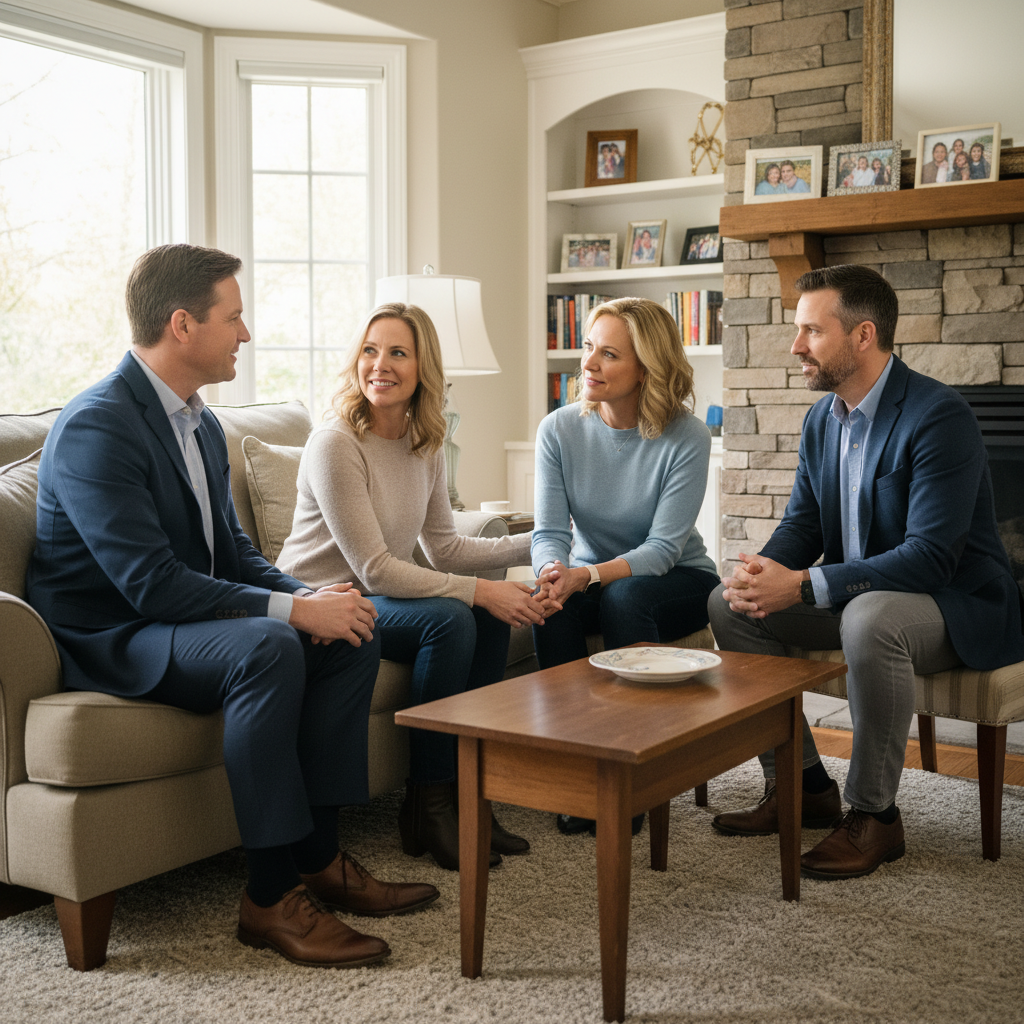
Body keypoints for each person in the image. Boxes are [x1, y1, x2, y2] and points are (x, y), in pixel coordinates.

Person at [26, 244, 440, 969]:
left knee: (350, 628)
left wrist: (310, 597)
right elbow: (150, 585)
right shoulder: (98, 425)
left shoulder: (201, 423)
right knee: (270, 646)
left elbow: (232, 555)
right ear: (183, 326)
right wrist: (288, 617)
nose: (246, 334)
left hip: (176, 619)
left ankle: (319, 857)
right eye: (235, 317)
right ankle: (270, 897)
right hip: (114, 636)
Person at [708, 264, 1024, 880]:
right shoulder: (822, 419)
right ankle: (801, 784)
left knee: (871, 616)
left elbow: (931, 556)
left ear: (862, 335)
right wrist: (762, 573)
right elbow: (803, 525)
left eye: (810, 332)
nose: (795, 346)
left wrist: (801, 585)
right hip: (860, 599)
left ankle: (875, 815)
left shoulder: (939, 415)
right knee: (726, 605)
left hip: (954, 603)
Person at [278, 302, 552, 871]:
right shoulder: (336, 442)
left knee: (487, 614)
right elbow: (376, 568)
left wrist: (542, 543)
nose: (380, 365)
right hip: (322, 603)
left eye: (398, 352)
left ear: (423, 366)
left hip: (376, 600)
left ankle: (466, 793)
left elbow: (444, 548)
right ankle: (428, 804)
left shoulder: (423, 440)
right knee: (453, 615)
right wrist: (481, 591)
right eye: (370, 350)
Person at [531, 297, 720, 836]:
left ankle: (631, 775)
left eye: (609, 354)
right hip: (591, 575)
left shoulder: (687, 436)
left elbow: (662, 549)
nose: (588, 364)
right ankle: (575, 773)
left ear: (646, 369)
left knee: (623, 597)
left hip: (677, 579)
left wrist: (583, 576)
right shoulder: (559, 430)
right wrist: (551, 573)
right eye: (589, 347)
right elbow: (548, 535)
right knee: (553, 607)